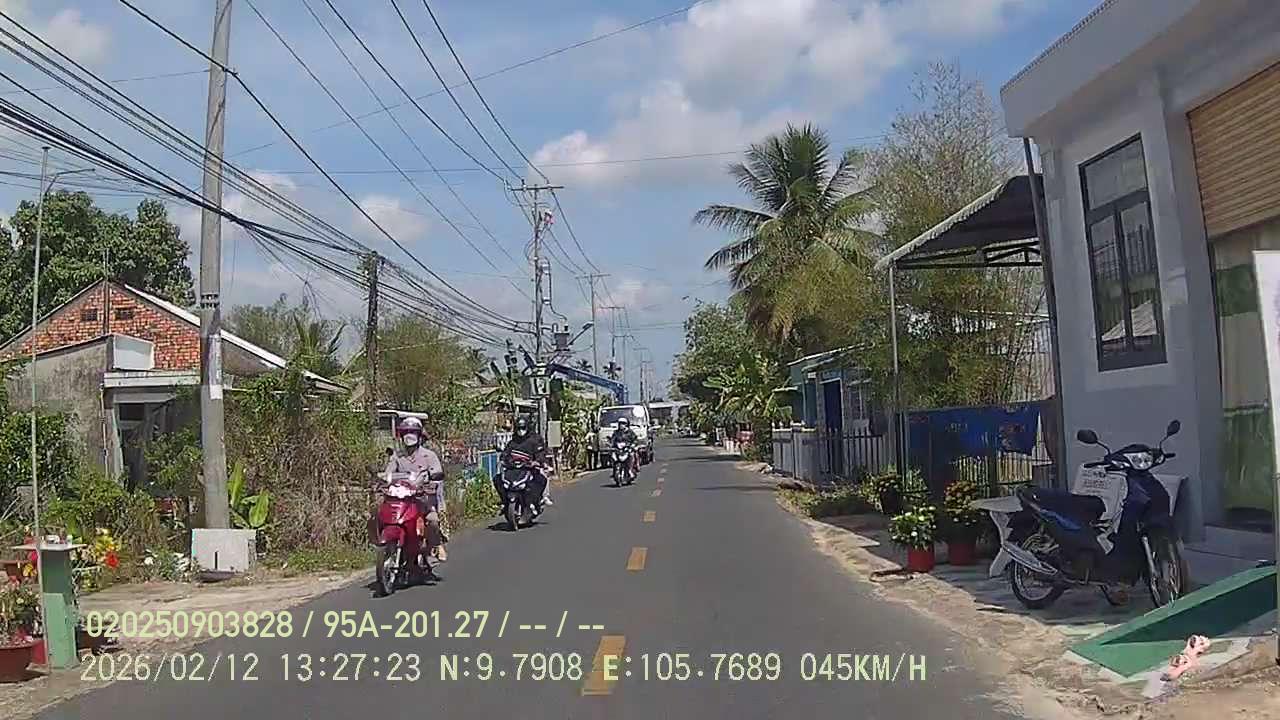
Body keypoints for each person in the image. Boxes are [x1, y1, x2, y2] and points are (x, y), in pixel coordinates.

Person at [384, 417, 448, 566]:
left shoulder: (429, 455)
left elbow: (437, 474)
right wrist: (382, 480)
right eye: (406, 432)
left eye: (412, 432)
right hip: (403, 500)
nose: (409, 436)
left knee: (432, 520)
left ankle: (436, 545)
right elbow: (388, 473)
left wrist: (432, 482)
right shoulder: (398, 457)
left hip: (423, 500)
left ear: (419, 435)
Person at [500, 416, 552, 511]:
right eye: (519, 428)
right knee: (498, 479)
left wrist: (537, 462)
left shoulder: (534, 439)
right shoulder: (513, 442)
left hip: (530, 469)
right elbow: (505, 453)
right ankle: (504, 501)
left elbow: (540, 453)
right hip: (515, 469)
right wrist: (504, 459)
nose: (521, 431)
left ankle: (537, 500)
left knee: (542, 479)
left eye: (523, 428)